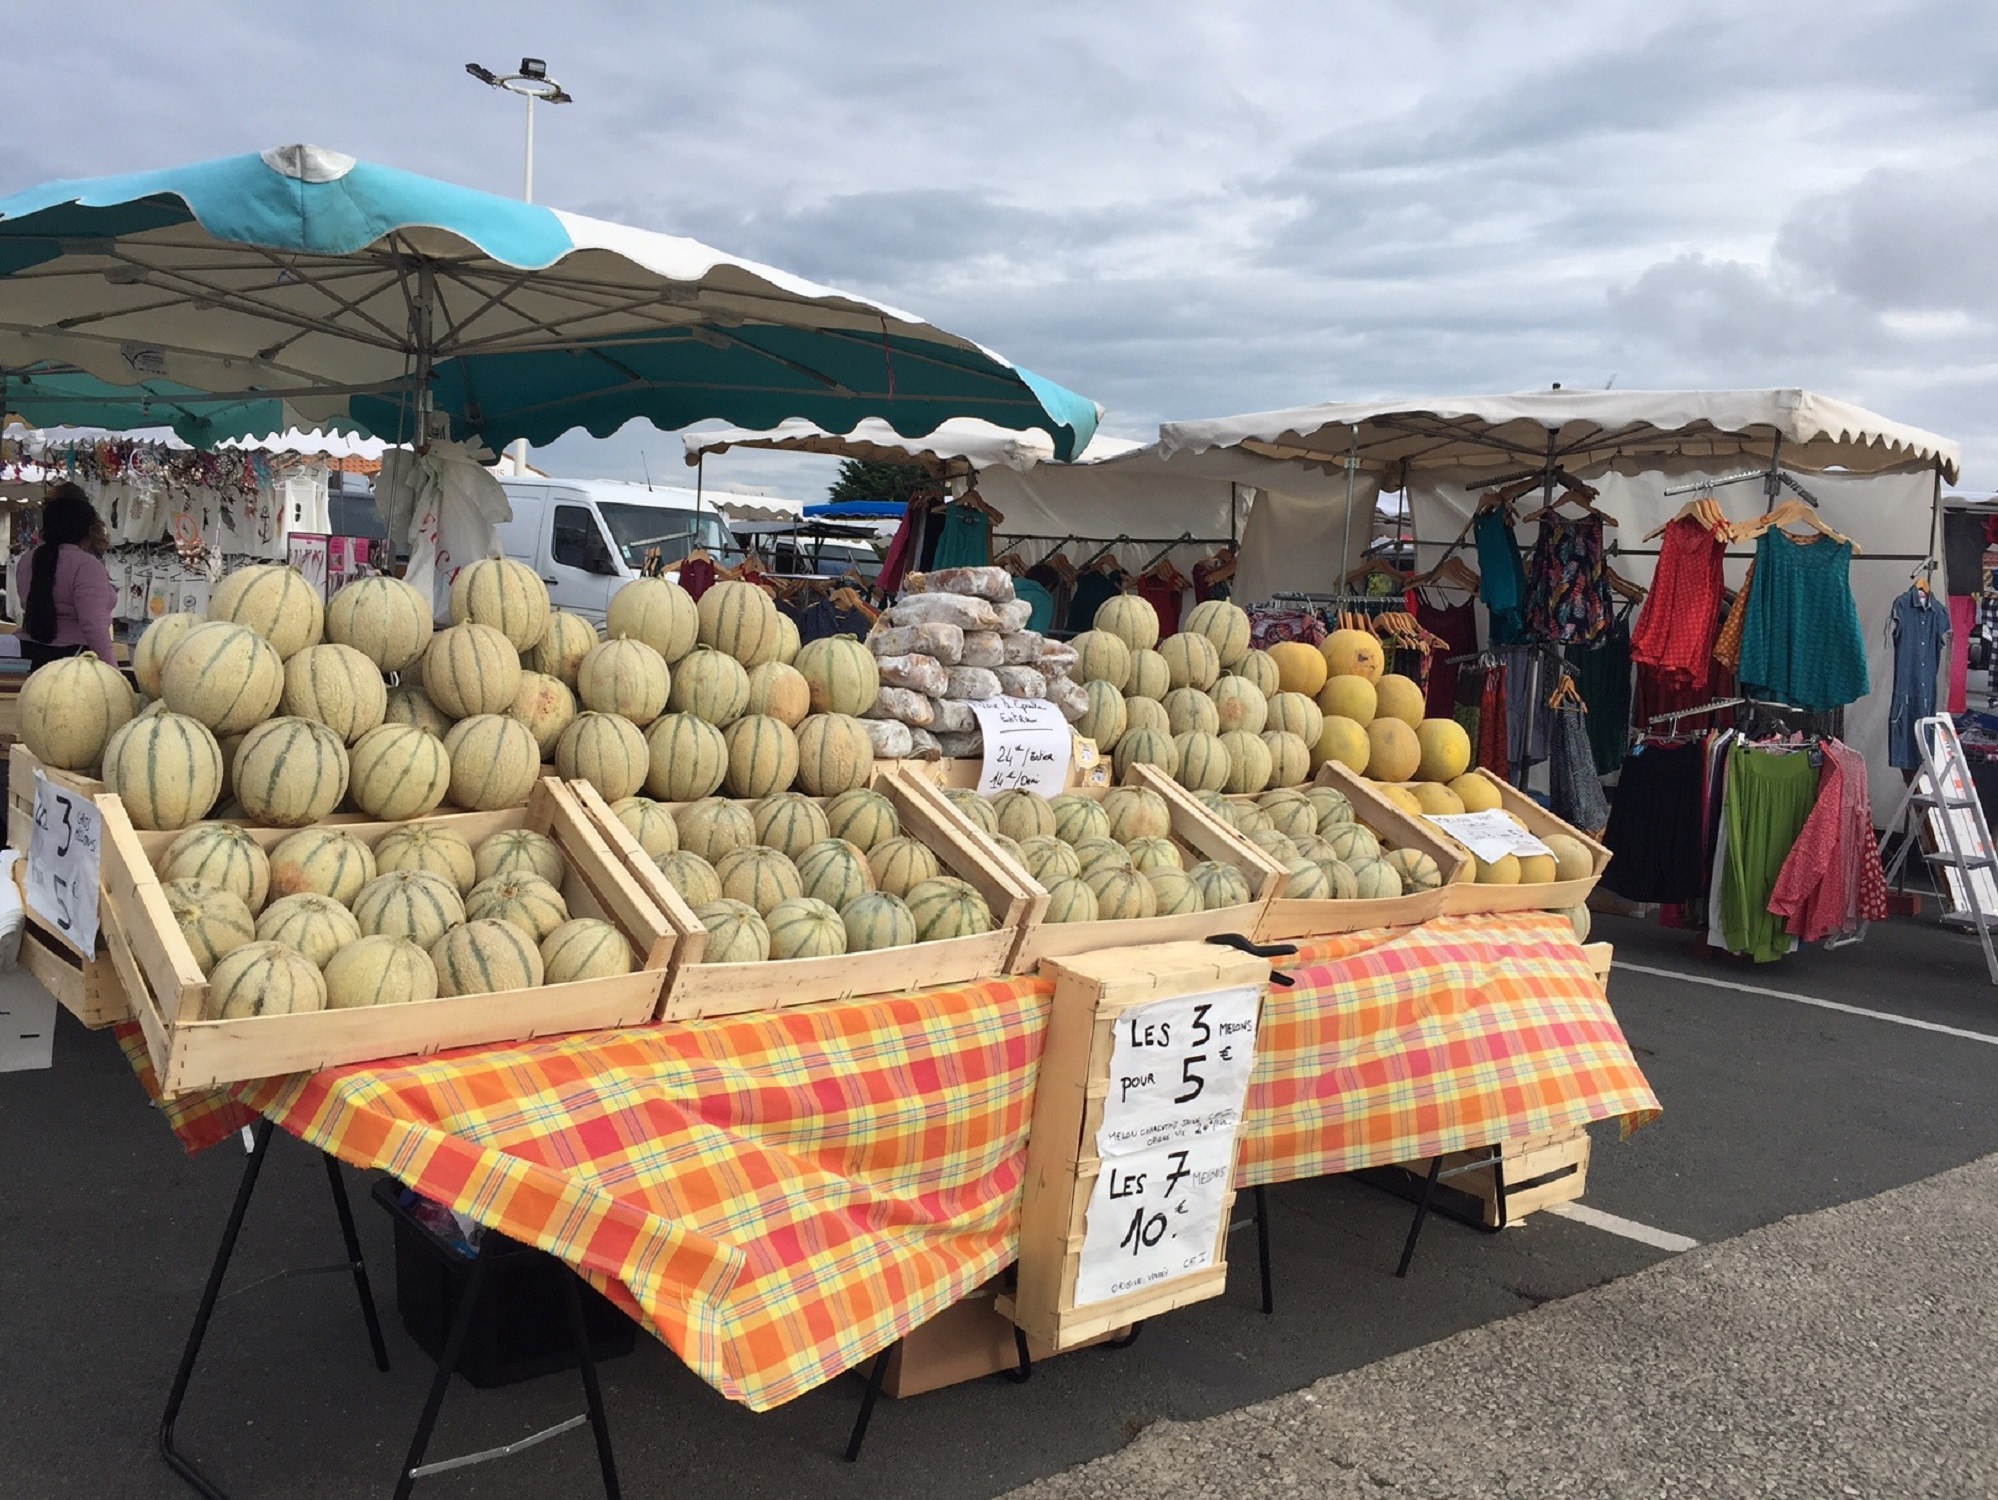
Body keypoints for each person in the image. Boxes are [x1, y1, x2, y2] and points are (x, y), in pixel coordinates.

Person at [16, 483, 118, 669]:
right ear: (88, 530)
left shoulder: (27, 560)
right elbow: (93, 625)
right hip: (74, 660)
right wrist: (113, 670)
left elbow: (27, 603)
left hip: (26, 652)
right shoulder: (86, 565)